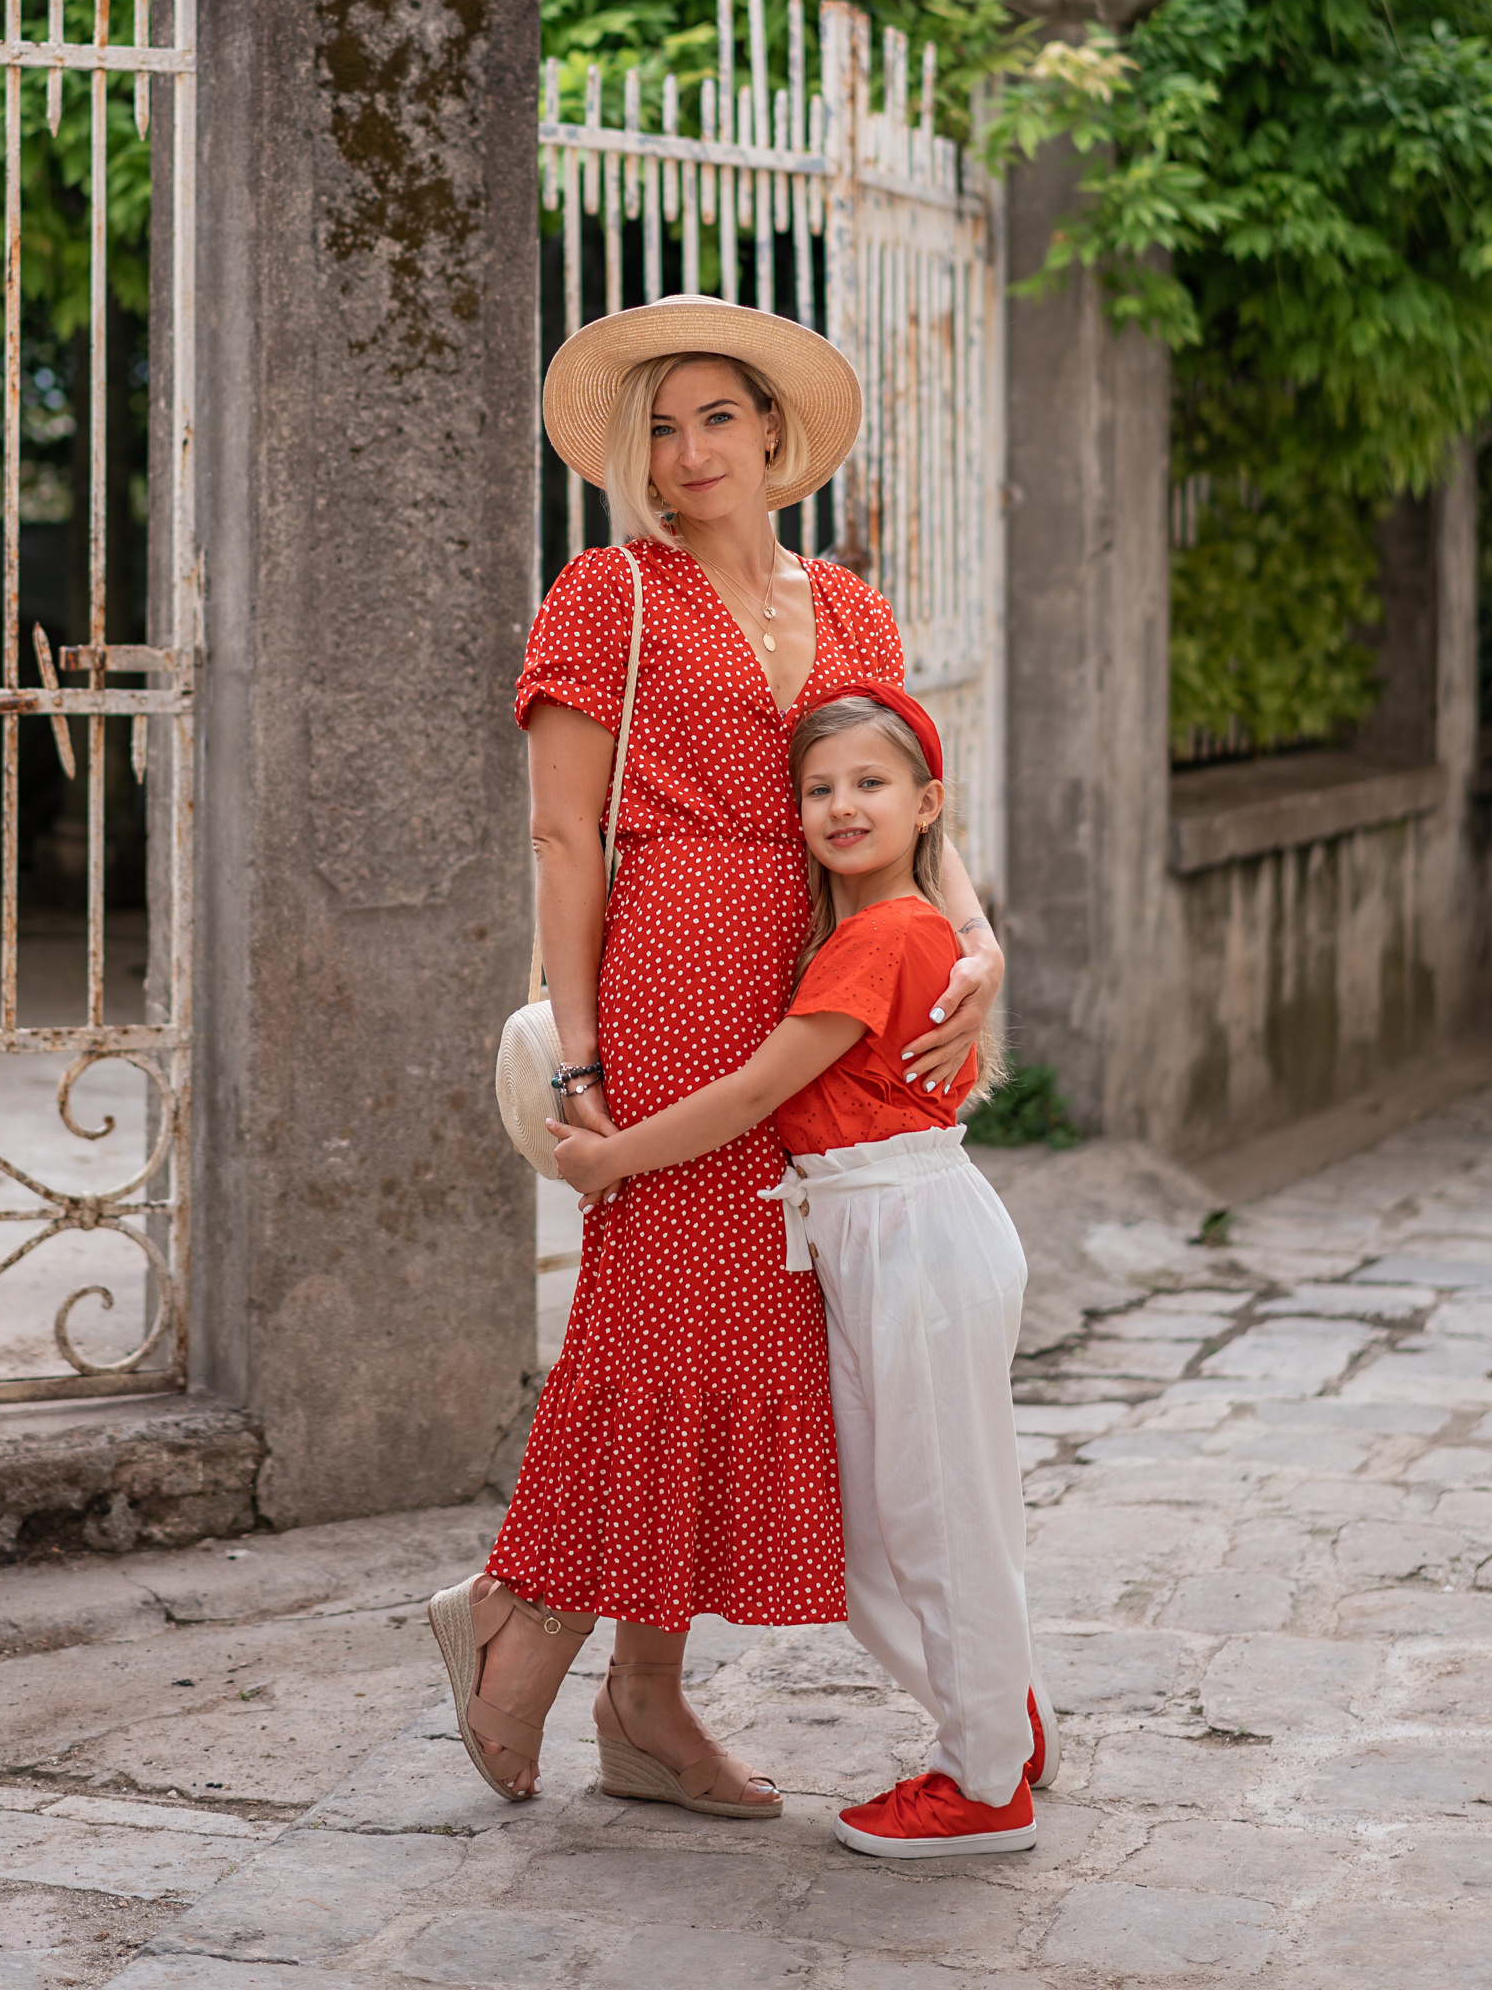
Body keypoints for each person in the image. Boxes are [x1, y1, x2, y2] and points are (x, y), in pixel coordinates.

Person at [426, 295, 1006, 1814]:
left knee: (743, 1335)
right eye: (662, 428)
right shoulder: (605, 595)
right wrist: (579, 1050)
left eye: (717, 419)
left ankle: (637, 1696)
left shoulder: (856, 610)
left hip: (824, 988)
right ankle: (533, 1634)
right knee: (660, 1317)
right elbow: (562, 835)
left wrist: (977, 939)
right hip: (676, 972)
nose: (689, 452)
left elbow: (910, 792)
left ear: (772, 435)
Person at [549, 683, 1053, 1860]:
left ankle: (984, 1788)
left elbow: (754, 1091)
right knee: (885, 1526)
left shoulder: (884, 935)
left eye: (869, 784)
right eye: (818, 788)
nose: (839, 806)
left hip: (909, 1232)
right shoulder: (877, 931)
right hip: (875, 1231)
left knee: (932, 1517)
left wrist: (609, 1155)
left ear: (928, 807)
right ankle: (997, 1724)